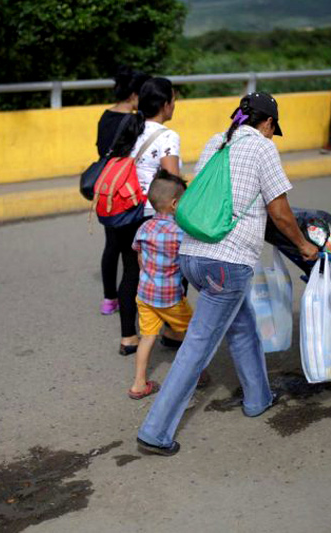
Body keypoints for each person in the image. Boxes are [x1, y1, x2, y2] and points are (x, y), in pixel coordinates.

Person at [137, 92, 319, 456]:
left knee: (242, 324)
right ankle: (154, 431)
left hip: (193, 255)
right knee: (198, 346)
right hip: (227, 262)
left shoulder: (216, 142)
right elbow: (280, 210)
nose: (271, 134)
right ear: (267, 123)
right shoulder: (263, 149)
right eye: (272, 128)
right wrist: (303, 245)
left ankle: (258, 397)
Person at [107, 77, 183, 356]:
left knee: (131, 272)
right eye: (174, 100)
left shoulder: (129, 128)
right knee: (173, 271)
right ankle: (173, 331)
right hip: (152, 215)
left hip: (124, 209)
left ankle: (129, 337)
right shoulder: (167, 136)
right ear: (165, 104)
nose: (175, 105)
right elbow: (172, 178)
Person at [128, 170, 193, 399]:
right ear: (175, 204)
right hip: (170, 298)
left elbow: (139, 257)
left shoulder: (144, 228)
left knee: (147, 337)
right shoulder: (180, 232)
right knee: (194, 333)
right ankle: (198, 374)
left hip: (145, 295)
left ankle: (138, 384)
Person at [96, 67, 151, 316]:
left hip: (107, 186)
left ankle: (109, 300)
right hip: (125, 188)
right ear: (133, 94)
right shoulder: (133, 120)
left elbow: (101, 150)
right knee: (130, 252)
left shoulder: (105, 116)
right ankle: (131, 299)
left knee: (111, 245)